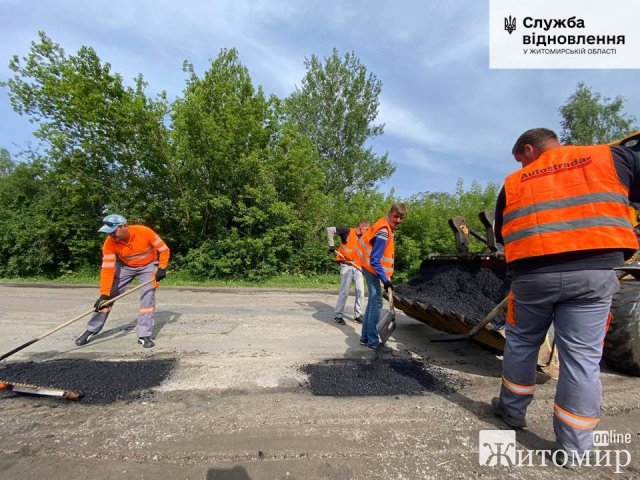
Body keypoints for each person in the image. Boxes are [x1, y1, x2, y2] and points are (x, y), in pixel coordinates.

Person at [491, 128, 640, 463]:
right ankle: (574, 448)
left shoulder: (514, 183)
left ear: (530, 148)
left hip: (532, 278)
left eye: (520, 159)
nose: (520, 166)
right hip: (592, 274)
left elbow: (504, 232)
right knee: (582, 359)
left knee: (521, 343)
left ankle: (511, 412)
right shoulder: (611, 158)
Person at [75, 214, 170, 349]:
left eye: (114, 232)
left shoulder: (144, 232)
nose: (112, 236)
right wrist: (104, 293)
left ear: (124, 226)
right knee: (106, 299)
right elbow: (107, 269)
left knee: (147, 298)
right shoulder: (109, 243)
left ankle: (144, 335)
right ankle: (91, 329)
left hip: (148, 266)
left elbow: (164, 249)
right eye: (109, 233)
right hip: (126, 267)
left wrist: (161, 267)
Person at [356, 203, 407, 352]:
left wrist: (385, 277)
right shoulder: (384, 230)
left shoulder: (384, 224)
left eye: (401, 218)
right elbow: (375, 260)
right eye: (396, 216)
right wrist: (385, 280)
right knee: (377, 302)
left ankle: (365, 338)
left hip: (369, 267)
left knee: (373, 302)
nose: (398, 220)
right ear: (389, 213)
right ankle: (372, 341)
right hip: (371, 267)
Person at [326, 220, 371, 325]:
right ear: (361, 227)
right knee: (344, 291)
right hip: (347, 266)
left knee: (360, 291)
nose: (368, 232)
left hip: (358, 266)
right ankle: (338, 315)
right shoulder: (347, 231)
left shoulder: (364, 238)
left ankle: (358, 315)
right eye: (367, 229)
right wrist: (331, 245)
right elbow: (330, 229)